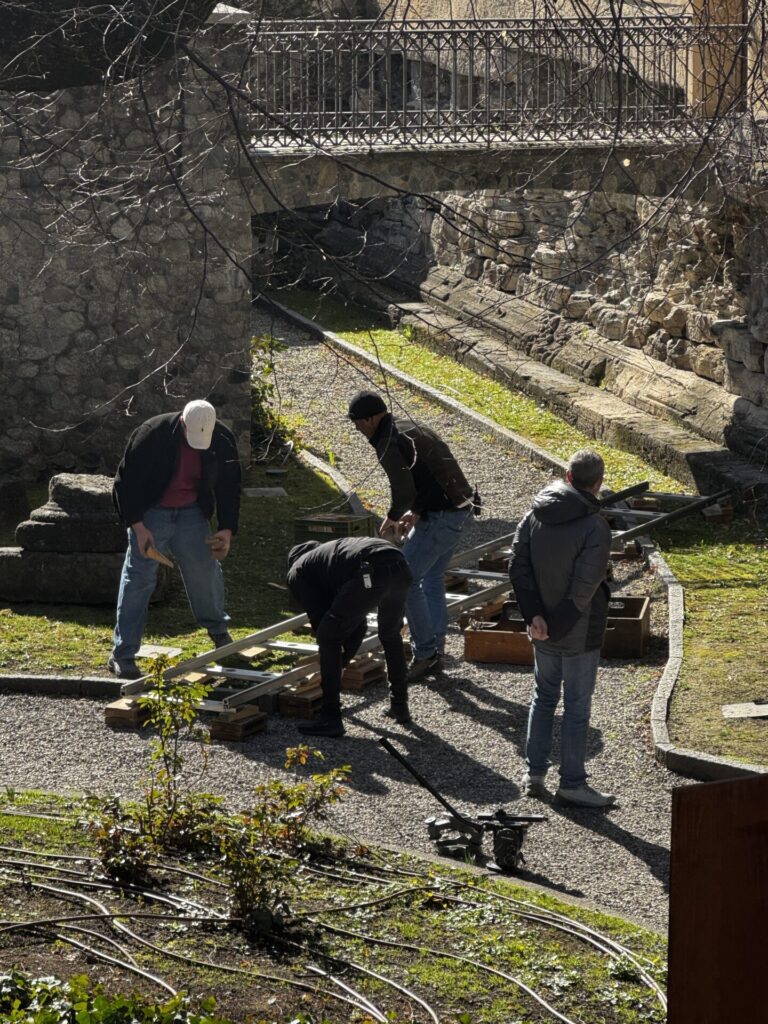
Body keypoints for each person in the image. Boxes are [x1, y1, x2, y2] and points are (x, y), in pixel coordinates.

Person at [509, 449, 616, 808]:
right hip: (578, 631)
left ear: (568, 477)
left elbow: (517, 566)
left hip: (541, 627)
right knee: (576, 708)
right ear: (598, 484)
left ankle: (534, 773)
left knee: (543, 698)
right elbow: (584, 589)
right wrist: (554, 626)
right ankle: (571, 782)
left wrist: (534, 617)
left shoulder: (534, 514)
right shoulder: (595, 526)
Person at [108, 399, 242, 679]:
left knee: (204, 571)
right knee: (139, 578)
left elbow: (230, 484)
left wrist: (227, 528)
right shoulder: (151, 434)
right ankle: (123, 654)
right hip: (151, 513)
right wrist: (138, 527)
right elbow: (125, 483)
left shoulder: (222, 438)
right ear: (182, 422)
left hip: (193, 513)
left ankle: (219, 633)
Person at [347, 390, 475, 683]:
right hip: (459, 508)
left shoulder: (387, 440)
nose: (357, 429)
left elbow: (403, 490)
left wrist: (393, 517)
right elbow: (433, 474)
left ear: (370, 419)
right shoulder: (410, 426)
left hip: (442, 516)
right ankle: (435, 643)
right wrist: (416, 512)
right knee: (430, 577)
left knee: (401, 580)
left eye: (357, 423)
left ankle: (426, 652)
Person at [286, 536, 413, 737]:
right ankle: (400, 707)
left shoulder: (298, 570)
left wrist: (336, 663)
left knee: (328, 637)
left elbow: (325, 630)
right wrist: (342, 662)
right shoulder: (332, 558)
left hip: (371, 569)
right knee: (390, 635)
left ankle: (330, 717)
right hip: (400, 564)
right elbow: (357, 623)